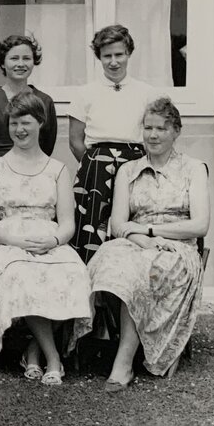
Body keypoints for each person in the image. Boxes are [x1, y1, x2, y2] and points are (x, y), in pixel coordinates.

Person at [71, 98, 209, 392]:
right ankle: (94, 344)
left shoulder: (193, 169)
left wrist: (151, 232)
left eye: (161, 128)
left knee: (142, 269)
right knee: (108, 260)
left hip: (177, 247)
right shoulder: (128, 170)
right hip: (135, 241)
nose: (153, 135)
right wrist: (141, 239)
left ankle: (123, 361)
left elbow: (200, 225)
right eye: (148, 128)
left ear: (176, 131)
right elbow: (118, 224)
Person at [0, 91, 91, 386]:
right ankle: (53, 357)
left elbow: (67, 224)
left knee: (74, 274)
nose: (19, 130)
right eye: (14, 123)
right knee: (24, 275)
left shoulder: (57, 169)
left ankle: (33, 350)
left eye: (25, 122)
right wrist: (17, 242)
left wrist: (53, 241)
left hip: (48, 240)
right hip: (8, 242)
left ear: (40, 123)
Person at [68, 25, 162, 263]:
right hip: (95, 166)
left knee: (132, 224)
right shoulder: (84, 93)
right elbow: (75, 141)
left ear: (129, 53)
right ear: (99, 57)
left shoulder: (148, 93)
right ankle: (90, 279)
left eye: (119, 54)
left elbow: (156, 133)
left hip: (135, 164)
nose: (113, 62)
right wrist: (95, 165)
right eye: (107, 56)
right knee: (91, 225)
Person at [0, 35, 57, 163]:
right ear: (2, 63)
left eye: (26, 58)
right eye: (14, 58)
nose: (20, 64)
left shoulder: (45, 101)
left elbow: (48, 142)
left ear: (34, 62)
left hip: (34, 166)